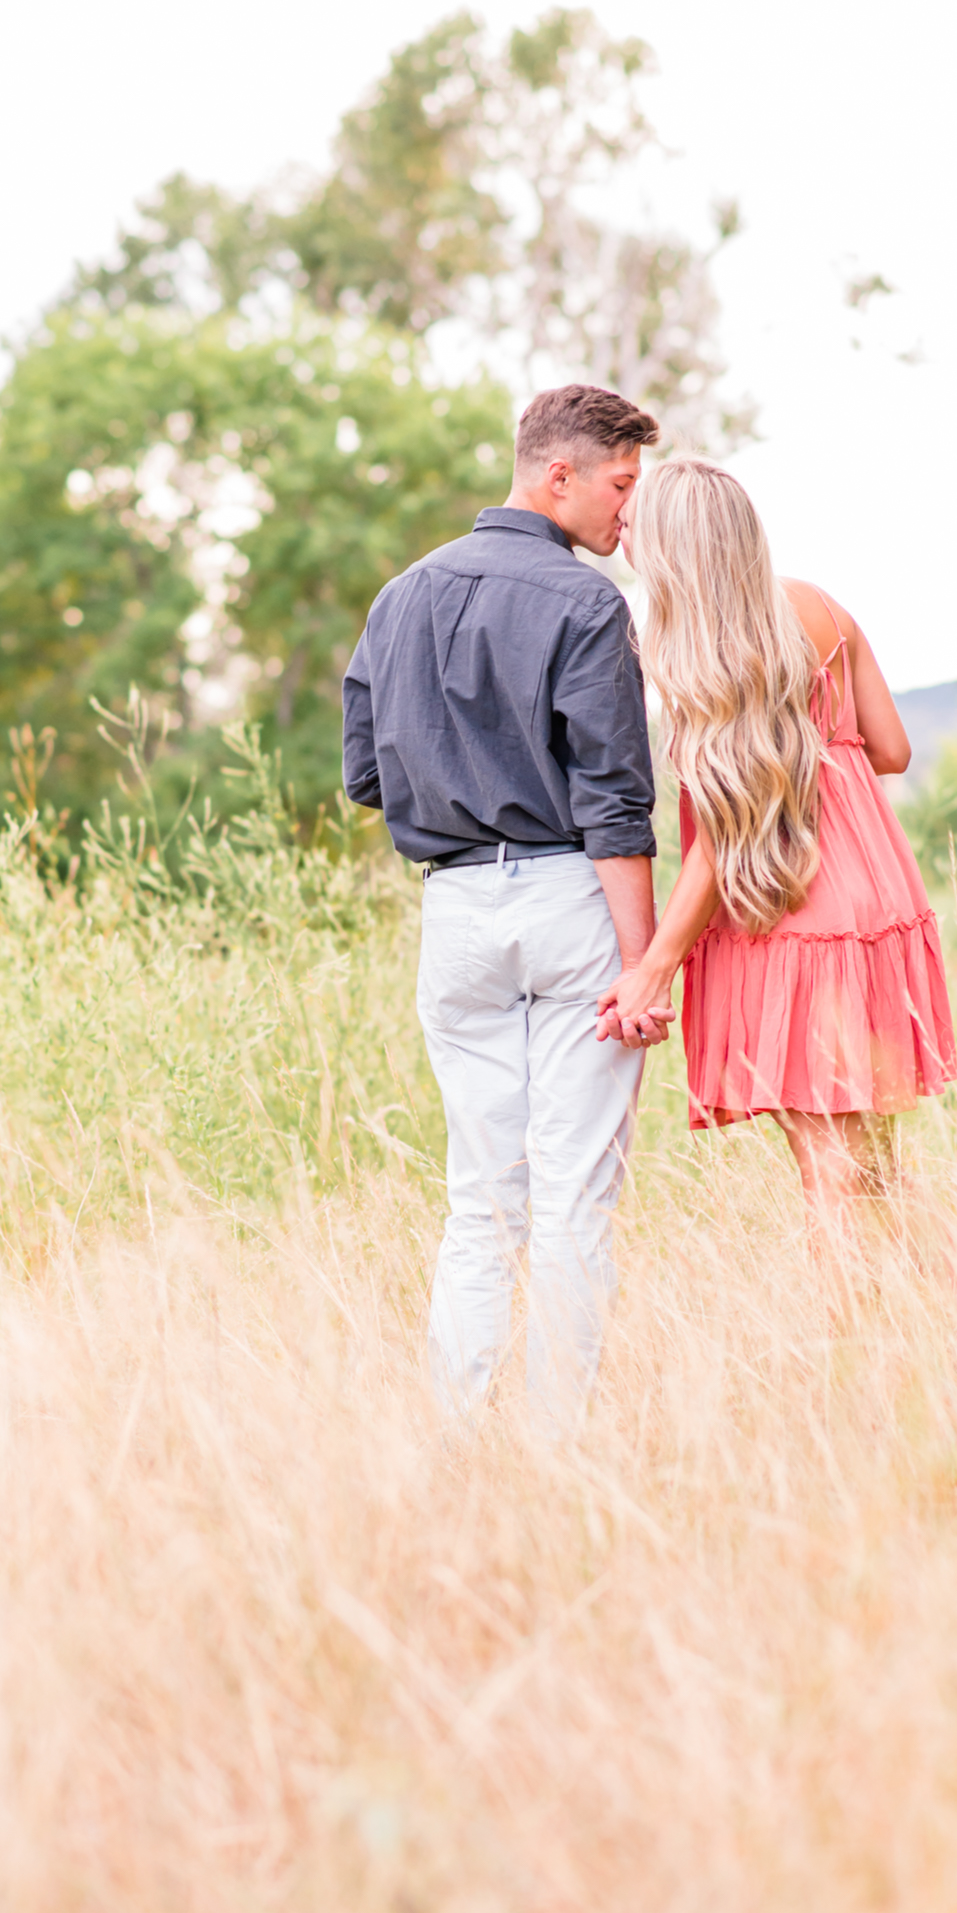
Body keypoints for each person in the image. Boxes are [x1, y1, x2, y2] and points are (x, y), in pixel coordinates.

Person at [342, 384, 666, 1427]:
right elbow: (615, 801)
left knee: (479, 1202)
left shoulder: (400, 597)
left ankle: (452, 1437)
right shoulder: (586, 604)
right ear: (557, 475)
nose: (630, 512)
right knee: (574, 1198)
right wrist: (644, 965)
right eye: (622, 485)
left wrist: (455, 781)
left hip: (457, 914)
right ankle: (559, 1446)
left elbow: (363, 774)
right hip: (571, 897)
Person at [598, 455, 956, 1249]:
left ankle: (845, 1363)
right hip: (880, 899)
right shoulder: (821, 607)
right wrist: (821, 744)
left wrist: (654, 966)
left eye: (635, 521)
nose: (621, 528)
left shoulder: (703, 654)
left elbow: (722, 841)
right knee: (873, 1163)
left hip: (796, 912)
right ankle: (947, 1327)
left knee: (825, 1162)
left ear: (671, 547)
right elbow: (891, 750)